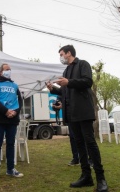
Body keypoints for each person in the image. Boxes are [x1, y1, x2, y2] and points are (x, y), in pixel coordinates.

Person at [46, 45, 108, 192]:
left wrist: (69, 82)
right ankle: (86, 176)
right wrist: (53, 89)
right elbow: (65, 91)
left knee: (90, 143)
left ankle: (101, 179)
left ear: (69, 53)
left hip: (83, 111)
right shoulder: (66, 70)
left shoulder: (83, 64)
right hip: (71, 113)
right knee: (79, 144)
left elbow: (87, 82)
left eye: (62, 54)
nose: (61, 57)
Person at [0, 63, 23, 185]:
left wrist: (15, 113)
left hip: (12, 119)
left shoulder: (15, 85)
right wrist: (5, 111)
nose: (9, 71)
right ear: (1, 72)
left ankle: (10, 169)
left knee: (11, 144)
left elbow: (20, 100)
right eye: (7, 69)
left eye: (10, 70)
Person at [52, 95, 80, 166]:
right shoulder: (62, 91)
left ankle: (89, 159)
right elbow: (59, 102)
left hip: (80, 116)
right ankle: (76, 158)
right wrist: (57, 105)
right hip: (70, 118)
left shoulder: (73, 87)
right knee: (73, 138)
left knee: (83, 138)